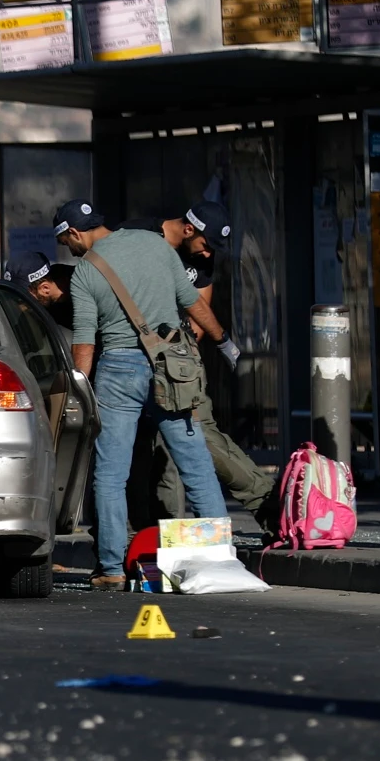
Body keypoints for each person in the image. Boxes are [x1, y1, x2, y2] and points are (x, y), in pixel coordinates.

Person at [57, 198, 233, 590]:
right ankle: (219, 560)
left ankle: (111, 569)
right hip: (171, 368)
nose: (67, 250)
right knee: (196, 466)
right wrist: (222, 340)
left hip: (117, 371)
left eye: (66, 242)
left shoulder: (85, 271)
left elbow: (84, 343)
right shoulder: (154, 244)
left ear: (73, 233)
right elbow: (192, 303)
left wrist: (78, 393)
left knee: (110, 474)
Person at [128, 202, 276, 532]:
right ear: (189, 229)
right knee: (144, 452)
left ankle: (268, 504)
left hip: (176, 365)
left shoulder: (201, 258)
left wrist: (181, 352)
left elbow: (198, 312)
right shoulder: (139, 234)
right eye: (207, 246)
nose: (208, 255)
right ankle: (150, 531)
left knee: (201, 440)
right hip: (132, 359)